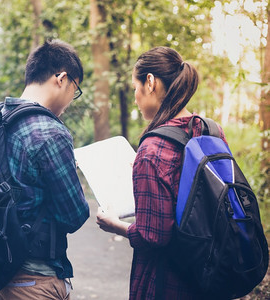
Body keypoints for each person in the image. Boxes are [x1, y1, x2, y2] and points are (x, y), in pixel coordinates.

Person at [96, 46, 228, 299]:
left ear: (150, 82)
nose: (135, 96)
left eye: (135, 88)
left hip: (167, 281)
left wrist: (116, 226)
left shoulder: (152, 148)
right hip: (211, 270)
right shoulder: (211, 130)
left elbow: (153, 236)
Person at [0, 39, 90, 300]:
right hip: (34, 280)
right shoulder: (50, 132)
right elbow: (74, 215)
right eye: (75, 89)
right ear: (62, 78)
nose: (71, 100)